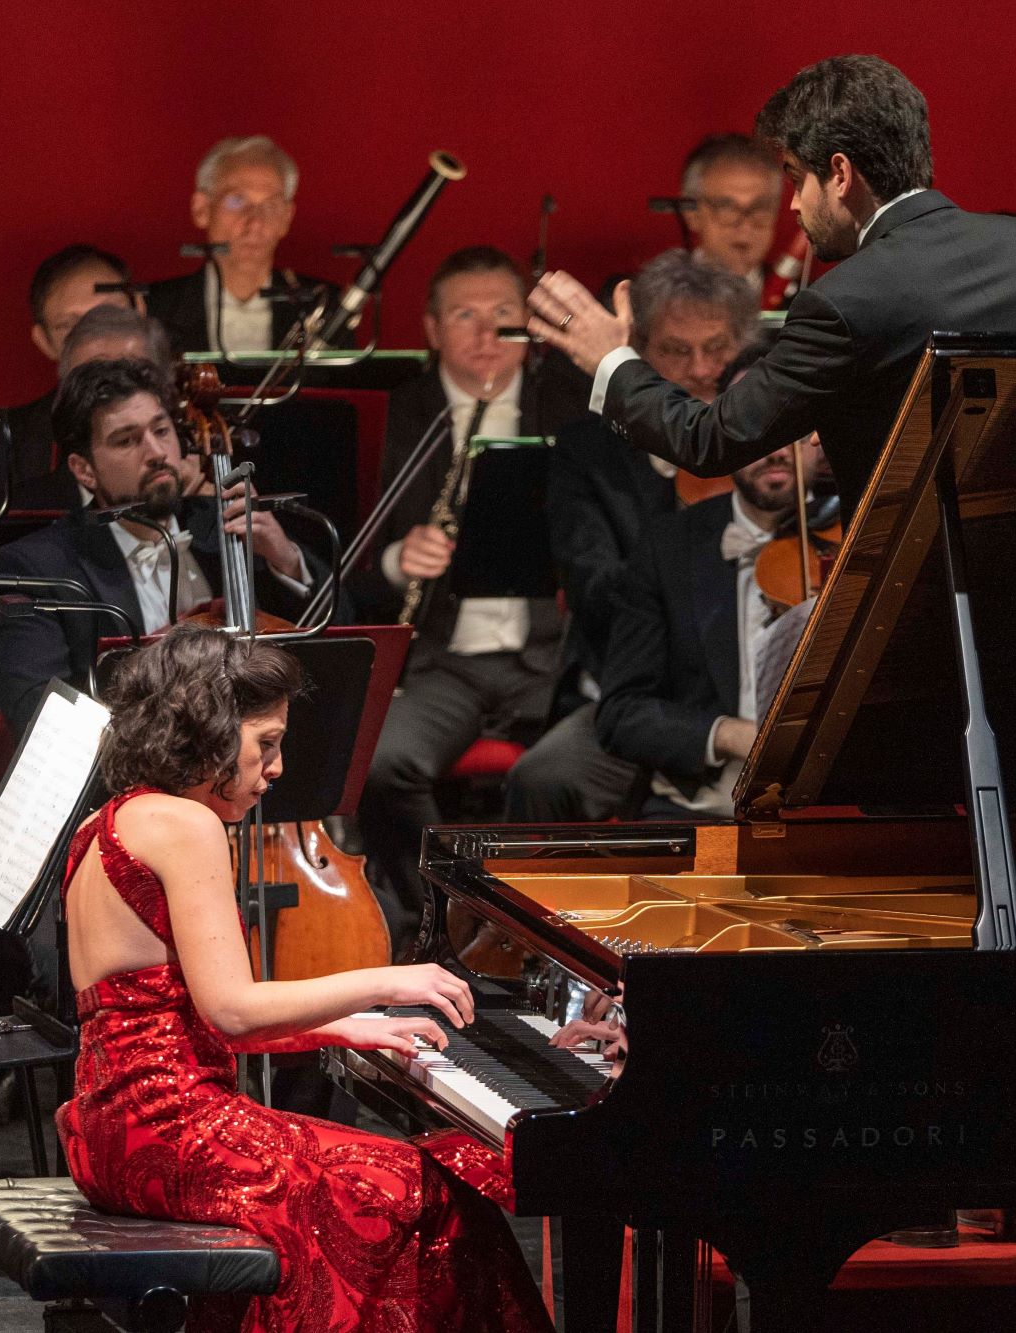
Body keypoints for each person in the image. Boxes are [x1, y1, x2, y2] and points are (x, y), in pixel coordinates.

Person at [58, 624, 552, 1332]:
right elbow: (231, 1010)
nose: (278, 767)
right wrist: (388, 978)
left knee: (402, 1185)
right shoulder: (186, 825)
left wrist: (345, 1025)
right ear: (208, 730)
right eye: (266, 742)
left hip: (111, 1132)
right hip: (168, 1131)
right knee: (411, 1187)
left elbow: (171, 1014)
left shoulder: (112, 820)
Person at [528, 54, 1016, 513]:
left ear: (839, 175)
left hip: (925, 593)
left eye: (796, 178)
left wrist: (612, 357)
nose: (792, 204)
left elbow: (708, 439)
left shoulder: (844, 301)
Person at [352, 246, 585, 949]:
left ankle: (548, 928)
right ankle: (450, 920)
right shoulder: (395, 416)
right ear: (430, 330)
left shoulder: (573, 407)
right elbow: (332, 558)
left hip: (551, 655)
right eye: (465, 315)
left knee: (599, 761)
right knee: (382, 761)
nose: (487, 334)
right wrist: (396, 557)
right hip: (443, 661)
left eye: (504, 316)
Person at [508, 250, 761, 824]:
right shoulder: (589, 453)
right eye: (676, 350)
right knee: (543, 777)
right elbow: (595, 592)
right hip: (639, 697)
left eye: (717, 349)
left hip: (748, 697)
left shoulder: (772, 447)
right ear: (638, 353)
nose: (700, 370)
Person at [0, 357, 322, 737]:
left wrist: (285, 558)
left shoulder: (231, 530)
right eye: (127, 440)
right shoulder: (39, 567)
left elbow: (338, 645)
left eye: (161, 431)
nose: (156, 452)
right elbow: (34, 708)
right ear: (84, 470)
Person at [593, 431, 824, 818]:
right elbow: (622, 714)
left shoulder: (858, 534)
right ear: (727, 445)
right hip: (700, 805)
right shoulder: (667, 545)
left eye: (795, 436)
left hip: (825, 808)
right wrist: (727, 734)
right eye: (758, 434)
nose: (778, 451)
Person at [0, 298, 173, 512]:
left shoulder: (200, 502)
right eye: (94, 382)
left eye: (132, 376)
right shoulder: (10, 514)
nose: (117, 398)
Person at [145, 136, 336, 355]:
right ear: (202, 209)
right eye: (236, 201)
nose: (255, 222)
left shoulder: (324, 307)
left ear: (287, 217)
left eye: (271, 205)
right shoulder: (153, 310)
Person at [674, 133, 786, 289]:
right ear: (691, 213)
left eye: (759, 208)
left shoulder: (806, 301)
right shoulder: (649, 299)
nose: (745, 226)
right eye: (727, 208)